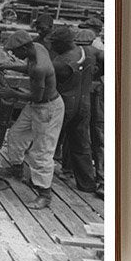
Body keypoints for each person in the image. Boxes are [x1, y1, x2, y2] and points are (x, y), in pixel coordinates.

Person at [0, 29, 65, 209]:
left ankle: (44, 194)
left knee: (41, 152)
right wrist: (9, 66)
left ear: (25, 48)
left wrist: (12, 93)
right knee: (16, 134)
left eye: (16, 52)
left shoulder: (39, 67)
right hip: (37, 105)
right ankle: (17, 169)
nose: (14, 55)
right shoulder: (37, 47)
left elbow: (36, 95)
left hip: (48, 108)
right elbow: (29, 68)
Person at [48, 25, 98, 194]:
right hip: (84, 104)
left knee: (46, 139)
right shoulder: (89, 53)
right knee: (81, 144)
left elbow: (46, 82)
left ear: (62, 43)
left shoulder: (60, 62)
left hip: (65, 105)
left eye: (54, 44)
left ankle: (36, 178)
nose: (52, 47)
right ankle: (87, 184)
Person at [76, 26, 106, 187]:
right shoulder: (90, 51)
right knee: (85, 133)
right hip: (88, 94)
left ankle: (102, 178)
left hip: (98, 95)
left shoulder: (97, 52)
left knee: (98, 134)